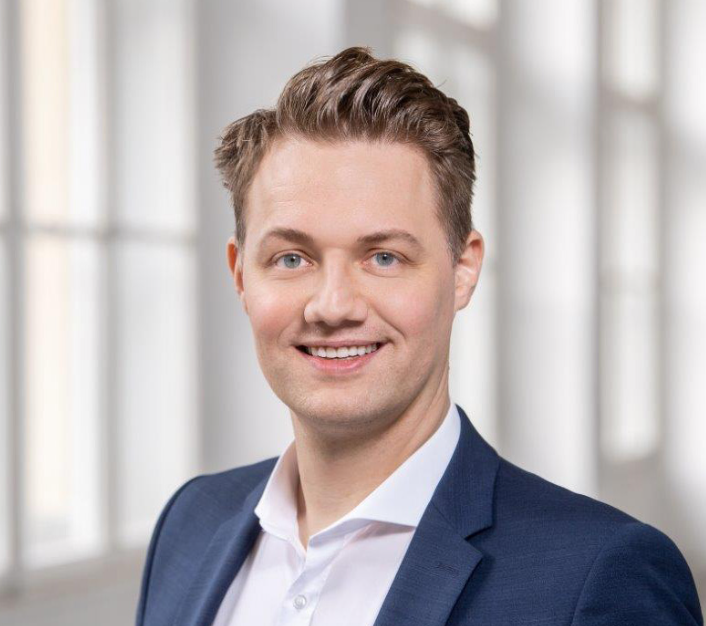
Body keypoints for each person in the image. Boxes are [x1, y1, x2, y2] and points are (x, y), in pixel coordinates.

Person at [135, 46, 703, 626]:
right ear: (240, 275)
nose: (332, 306)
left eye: (383, 257)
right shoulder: (189, 524)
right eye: (291, 258)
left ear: (463, 270)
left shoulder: (599, 577)